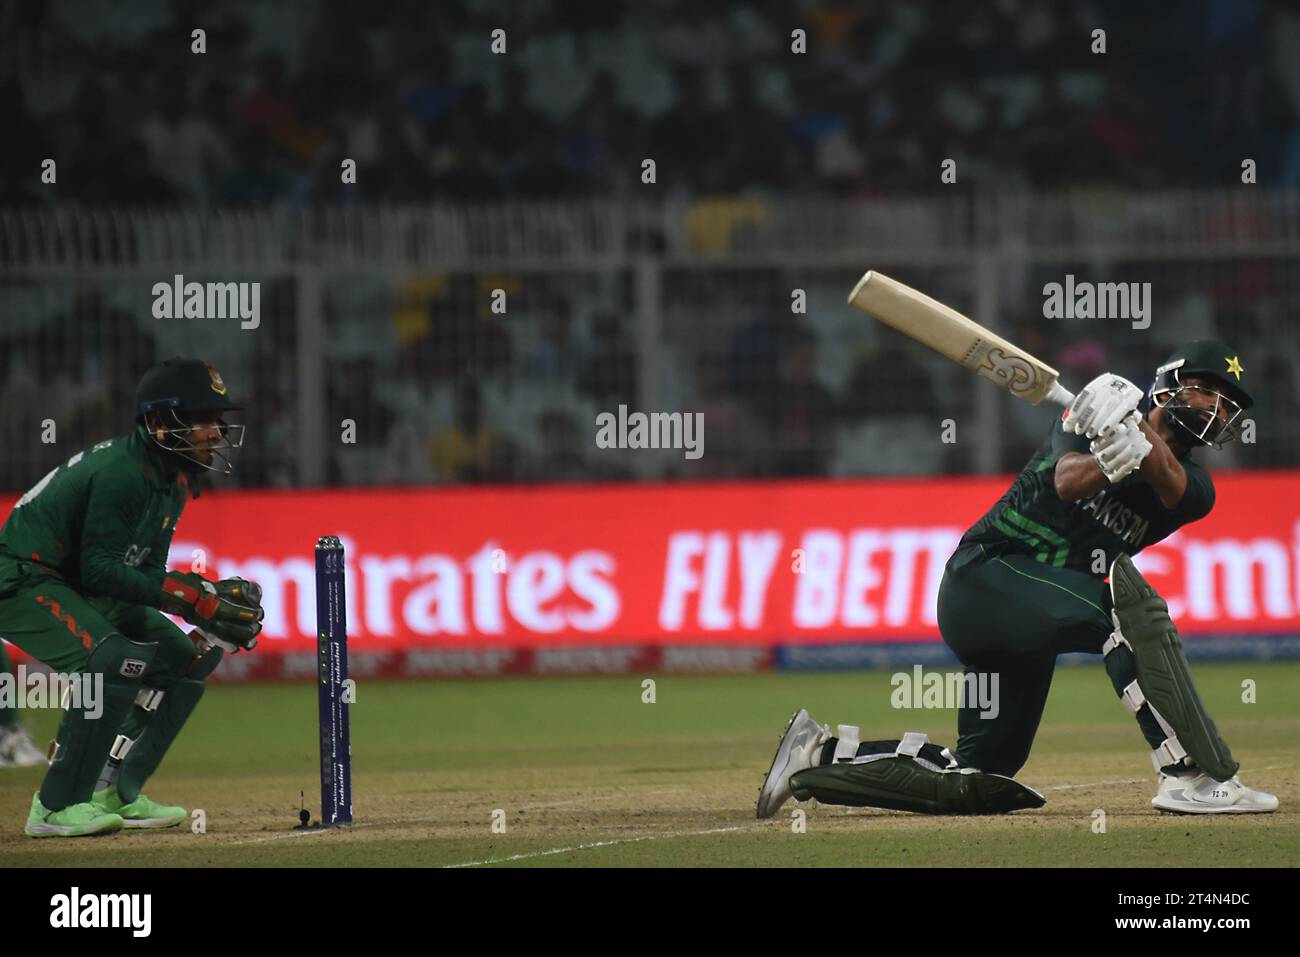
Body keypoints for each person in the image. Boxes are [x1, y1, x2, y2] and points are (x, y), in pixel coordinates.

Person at [757, 340, 1279, 817]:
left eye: (1226, 403)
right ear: (1169, 384)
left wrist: (1137, 436)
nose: (1214, 407)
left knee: (980, 775)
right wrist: (1106, 455)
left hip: (1031, 617)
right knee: (1124, 606)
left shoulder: (1199, 489)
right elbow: (1067, 480)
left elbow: (1169, 482)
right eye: (1205, 390)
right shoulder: (1090, 413)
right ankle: (1188, 773)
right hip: (985, 577)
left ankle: (815, 755)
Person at [0, 358, 264, 837]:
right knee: (111, 658)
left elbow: (141, 571)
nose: (215, 432)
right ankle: (54, 807)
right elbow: (100, 569)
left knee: (183, 663)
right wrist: (191, 600)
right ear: (160, 424)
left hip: (73, 581)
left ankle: (113, 791)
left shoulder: (174, 479)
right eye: (202, 419)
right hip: (21, 577)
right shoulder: (123, 472)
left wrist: (195, 595)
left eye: (216, 421)